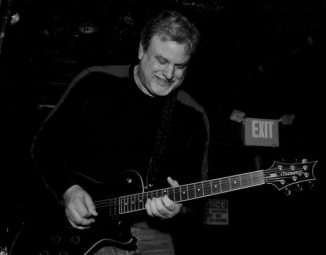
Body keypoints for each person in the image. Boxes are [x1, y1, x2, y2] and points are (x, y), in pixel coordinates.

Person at [31, 9, 209, 255]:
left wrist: (179, 208)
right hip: (80, 226)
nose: (169, 75)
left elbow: (196, 191)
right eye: (161, 61)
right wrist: (68, 191)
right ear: (141, 51)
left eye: (180, 66)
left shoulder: (193, 115)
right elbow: (43, 146)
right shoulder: (94, 81)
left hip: (152, 232)